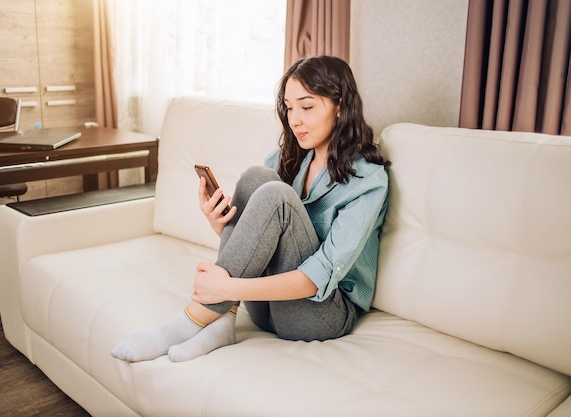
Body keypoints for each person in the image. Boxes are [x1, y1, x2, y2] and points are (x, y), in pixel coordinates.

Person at [111, 55, 390, 363]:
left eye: (307, 106)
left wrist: (226, 287)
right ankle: (224, 320)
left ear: (340, 107)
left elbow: (318, 277)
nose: (294, 119)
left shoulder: (367, 179)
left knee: (276, 195)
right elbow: (255, 242)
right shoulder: (289, 158)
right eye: (289, 107)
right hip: (266, 306)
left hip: (322, 313)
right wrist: (219, 222)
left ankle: (186, 323)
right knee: (257, 177)